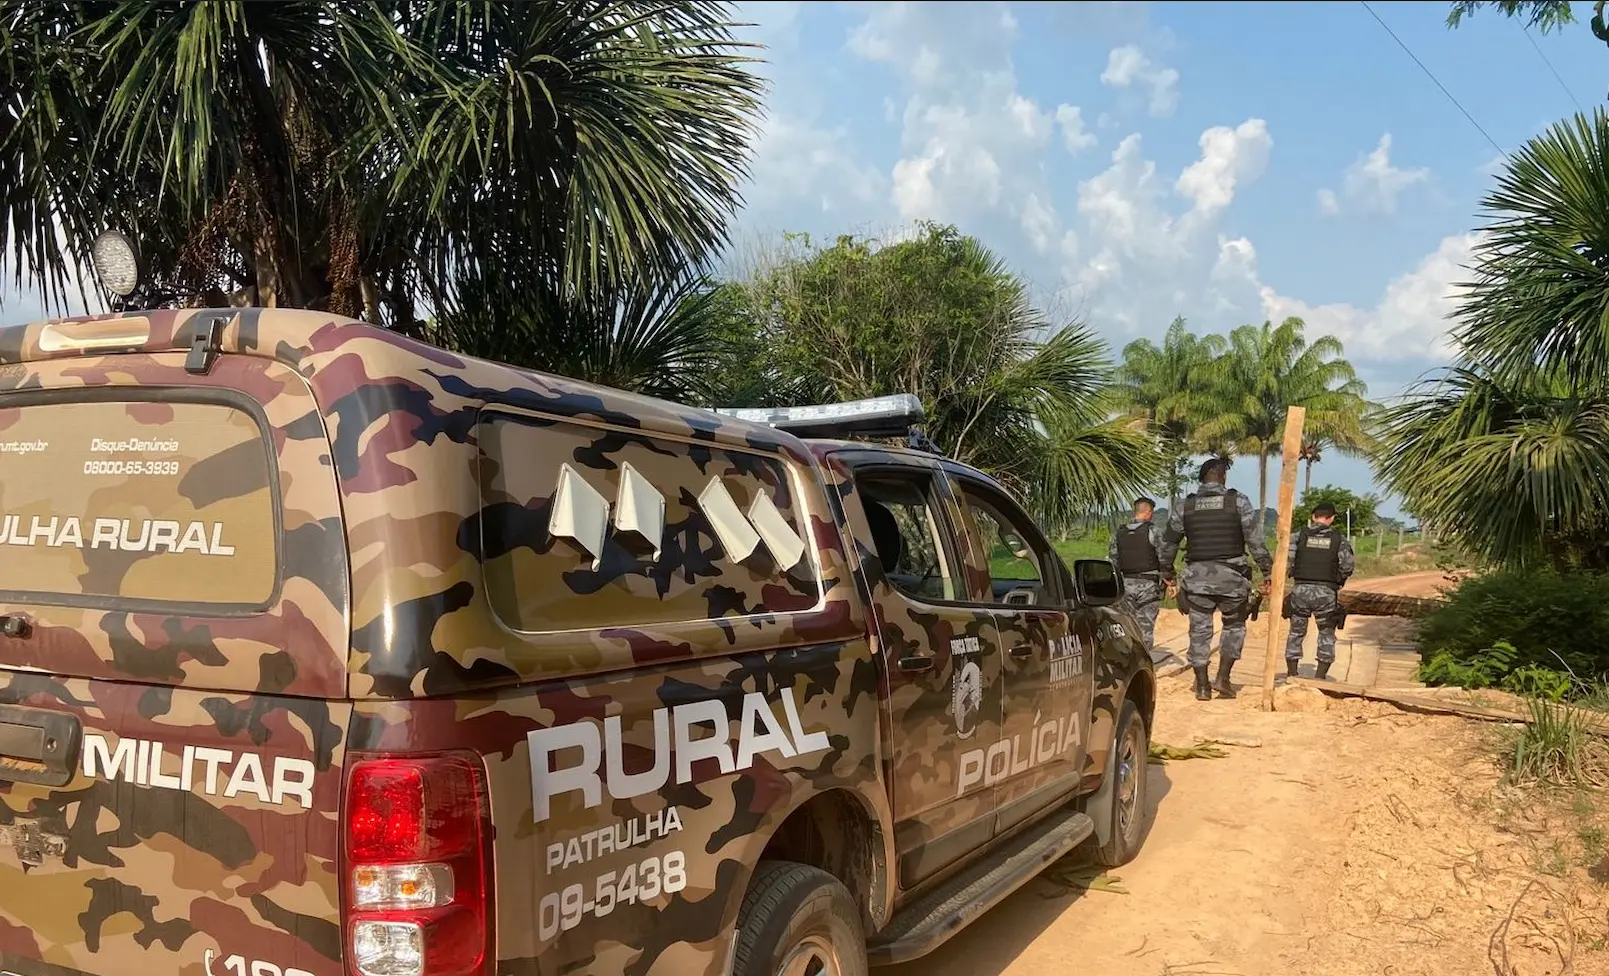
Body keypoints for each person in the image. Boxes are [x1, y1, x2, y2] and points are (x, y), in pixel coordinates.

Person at [1157, 457, 1274, 701]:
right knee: (1234, 626)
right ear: (1223, 476)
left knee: (1199, 630)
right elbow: (1255, 541)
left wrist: (1168, 573)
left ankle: (1202, 685)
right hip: (1232, 579)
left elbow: (1168, 543)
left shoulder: (1185, 506)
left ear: (1201, 478)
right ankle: (1223, 677)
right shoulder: (1238, 501)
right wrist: (1268, 572)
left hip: (1196, 580)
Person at [1283, 501, 1355, 680]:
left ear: (1313, 517)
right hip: (1326, 592)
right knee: (1326, 633)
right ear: (1331, 519)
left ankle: (1292, 673)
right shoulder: (1339, 539)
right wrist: (1339, 580)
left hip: (1300, 590)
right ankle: (1320, 677)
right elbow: (1348, 565)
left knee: (1296, 632)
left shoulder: (1298, 536)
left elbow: (1286, 561)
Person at [1109, 496, 1164, 652]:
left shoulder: (1119, 532)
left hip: (1125, 585)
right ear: (1148, 512)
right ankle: (1144, 659)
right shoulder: (1153, 531)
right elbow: (1164, 557)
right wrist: (1169, 578)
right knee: (1145, 628)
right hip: (1148, 586)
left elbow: (1113, 559)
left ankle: (1128, 658)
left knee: (1127, 626)